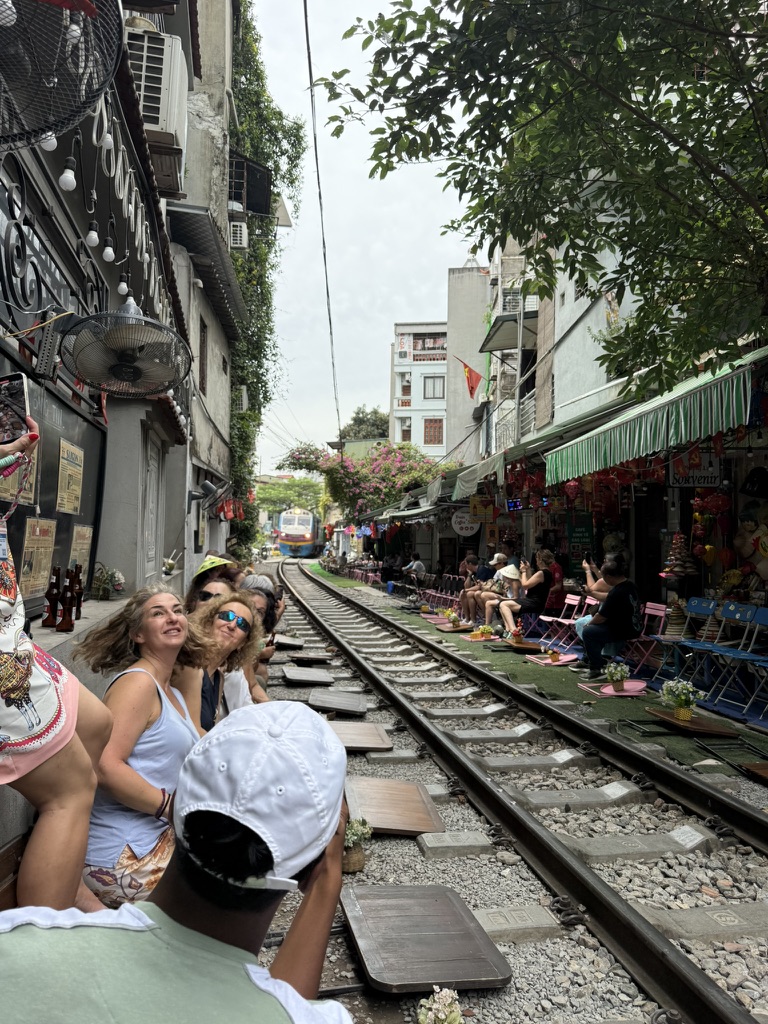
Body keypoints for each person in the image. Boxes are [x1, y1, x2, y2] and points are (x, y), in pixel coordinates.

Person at [0, 701, 353, 1024]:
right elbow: (291, 1006)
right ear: (311, 872)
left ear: (176, 805)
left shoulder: (14, 942)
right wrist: (327, 882)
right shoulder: (317, 1019)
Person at [0, 418, 114, 910]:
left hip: (11, 632)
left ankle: (67, 881)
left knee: (96, 721)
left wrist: (9, 454)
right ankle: (45, 947)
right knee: (70, 789)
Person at [74, 587, 211, 908]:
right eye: (158, 613)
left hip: (154, 840)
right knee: (214, 906)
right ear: (138, 634)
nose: (172, 617)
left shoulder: (171, 692)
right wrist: (170, 808)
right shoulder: (137, 683)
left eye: (177, 610)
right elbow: (106, 766)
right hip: (123, 851)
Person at [178, 593, 263, 733]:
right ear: (209, 623)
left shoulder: (219, 677)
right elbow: (191, 730)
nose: (232, 625)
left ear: (242, 643)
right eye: (226, 616)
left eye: (242, 624)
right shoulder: (189, 664)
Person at [578, 556, 642, 680]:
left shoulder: (616, 592)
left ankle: (596, 667)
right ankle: (593, 659)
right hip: (634, 626)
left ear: (609, 577)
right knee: (594, 630)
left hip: (625, 629)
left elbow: (601, 617)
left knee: (589, 632)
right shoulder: (631, 585)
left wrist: (589, 624)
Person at [498, 549, 555, 633]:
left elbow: (525, 585)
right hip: (534, 601)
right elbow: (529, 582)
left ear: (540, 560)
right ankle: (508, 630)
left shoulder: (541, 573)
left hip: (534, 603)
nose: (536, 561)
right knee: (501, 605)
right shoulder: (546, 573)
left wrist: (523, 571)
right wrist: (527, 569)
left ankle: (513, 630)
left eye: (537, 559)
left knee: (504, 604)